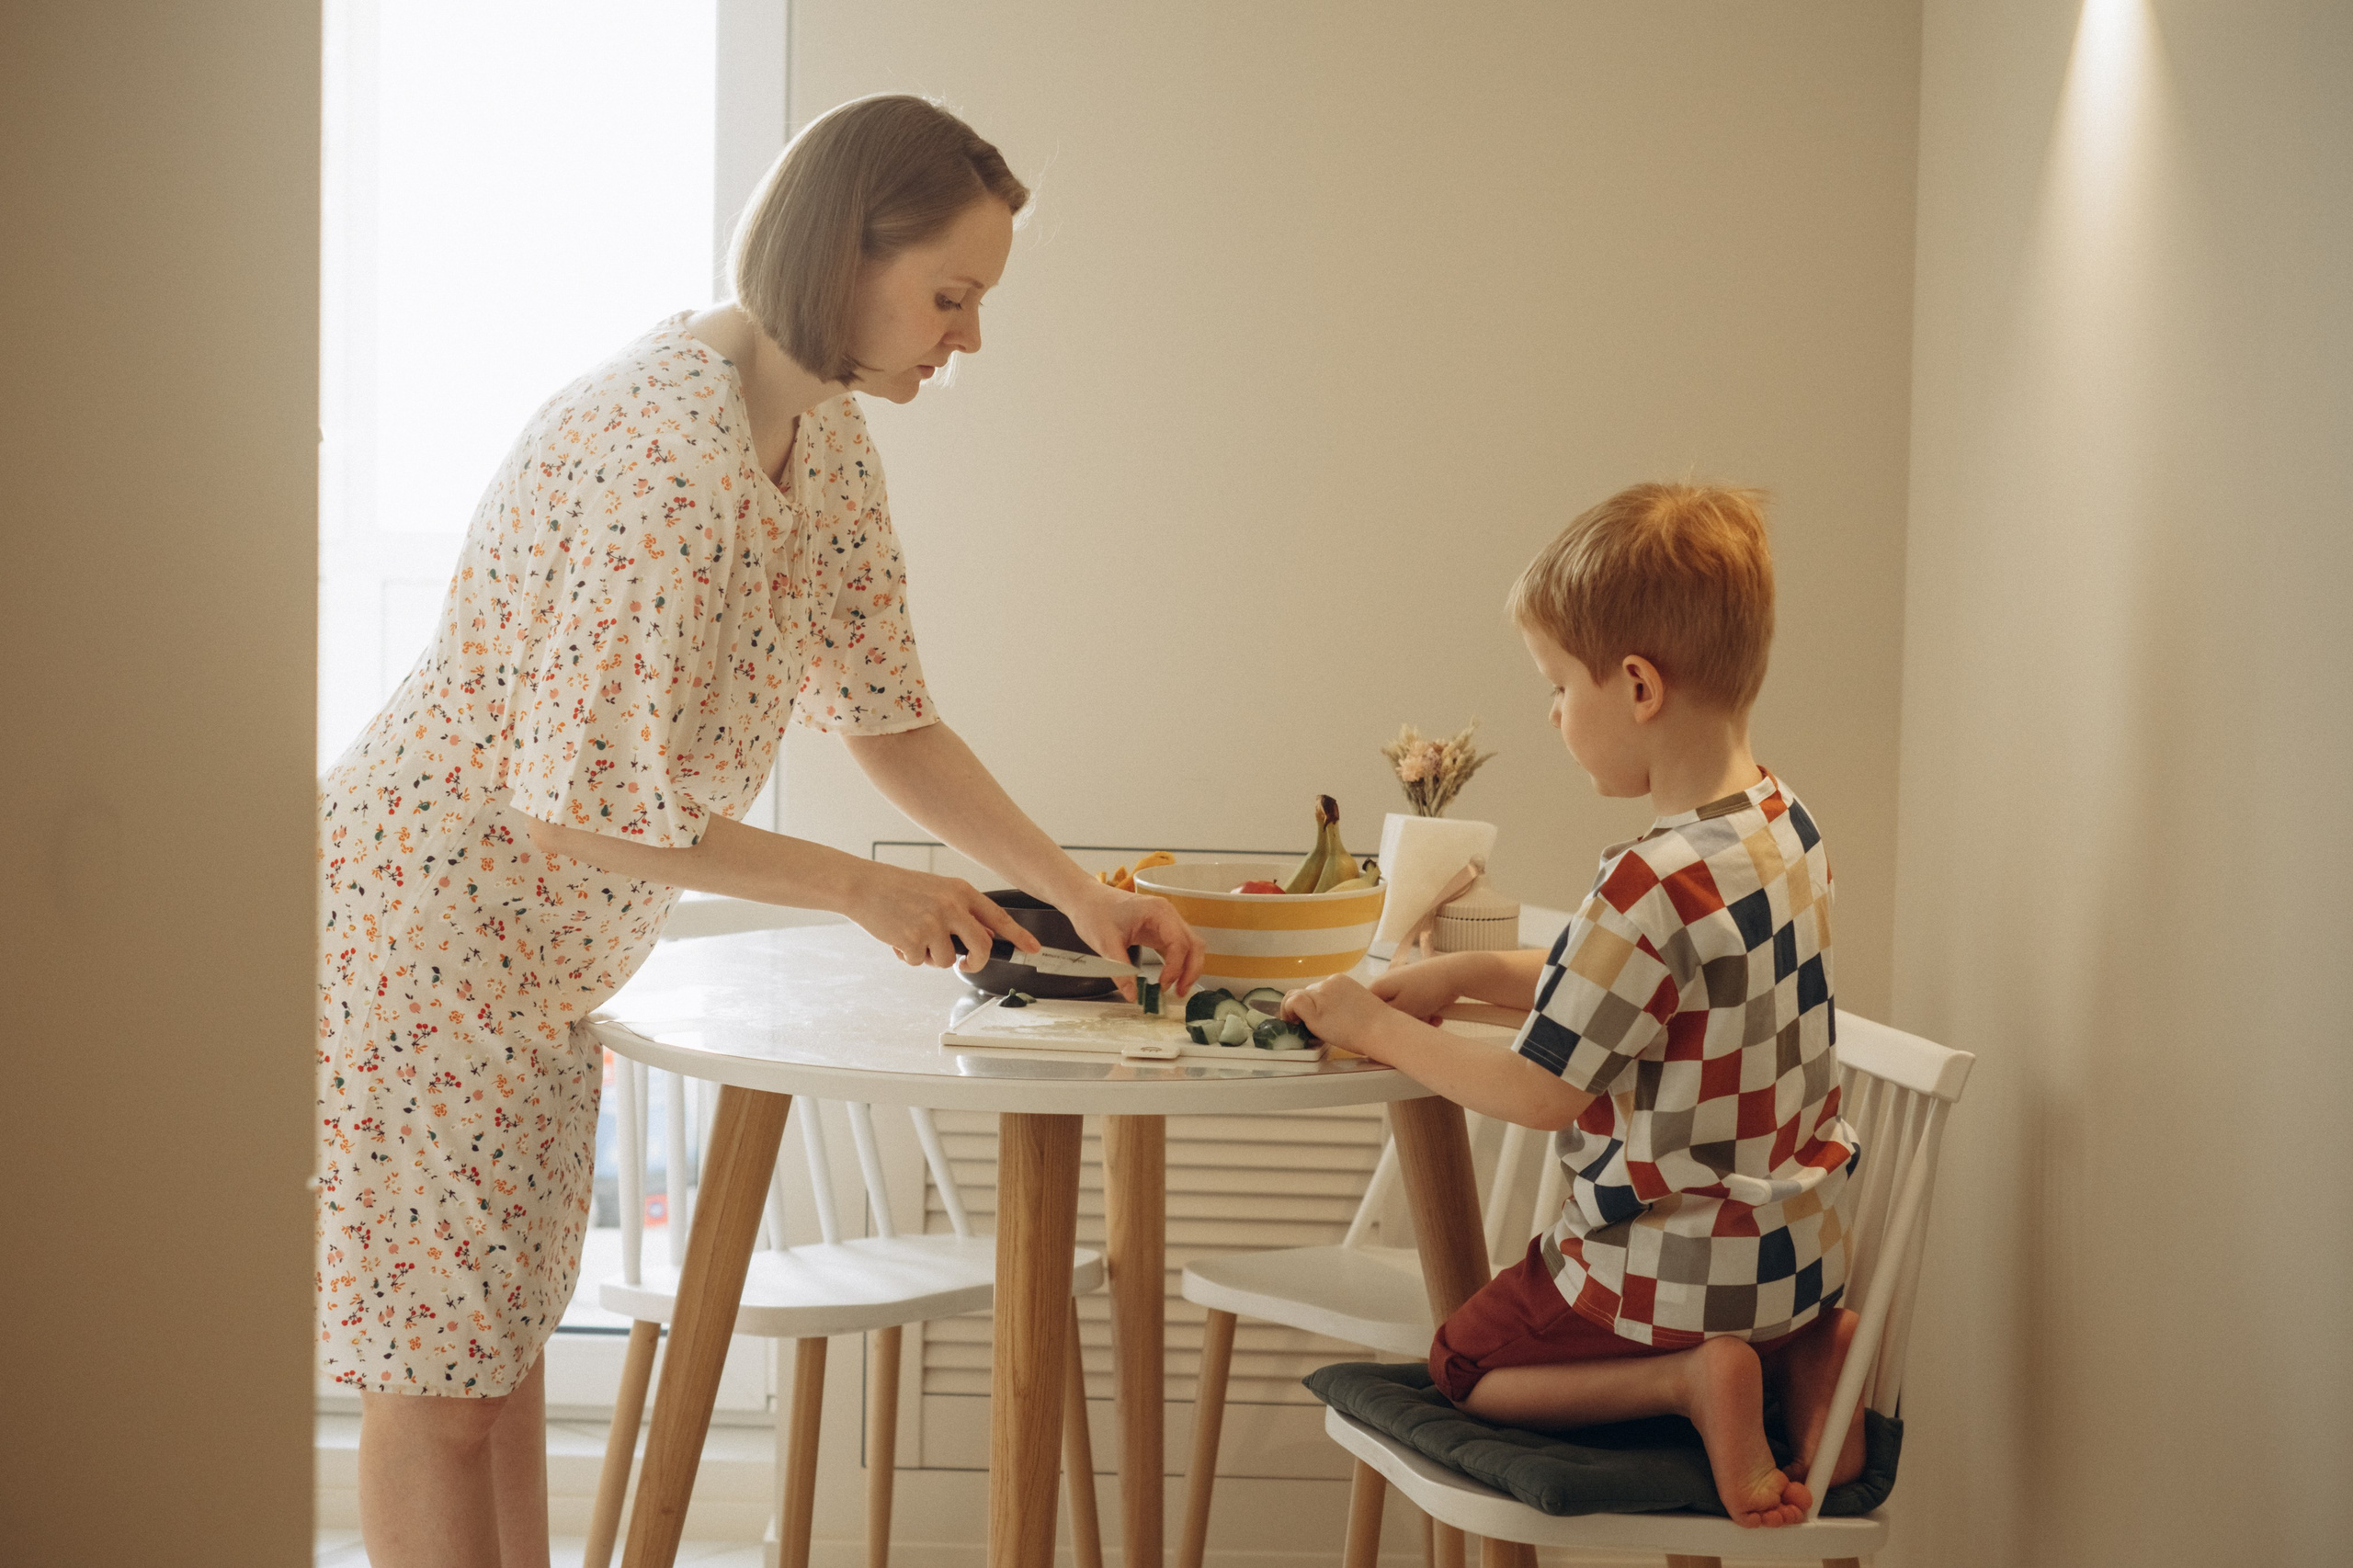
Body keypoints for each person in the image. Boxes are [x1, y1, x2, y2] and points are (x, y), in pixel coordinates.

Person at [315, 96, 1204, 1568]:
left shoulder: (819, 435)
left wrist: (1074, 892)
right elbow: (575, 805)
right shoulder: (662, 454)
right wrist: (864, 887)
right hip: (432, 929)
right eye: (950, 297)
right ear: (844, 253)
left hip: (538, 950)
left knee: (505, 1355)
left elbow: (889, 717)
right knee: (441, 1381)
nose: (966, 339)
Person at [1282, 483, 1863, 1528]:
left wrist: (1377, 1026)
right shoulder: (1781, 824)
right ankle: (1803, 1354)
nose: (1552, 713)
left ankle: (1685, 1382)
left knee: (1464, 1358)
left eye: (1556, 685)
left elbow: (1540, 1090)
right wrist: (1465, 976)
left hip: (1674, 1276)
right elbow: (1647, 984)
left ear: (1636, 684)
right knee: (1746, 1302)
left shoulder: (1643, 880)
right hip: (1791, 1256)